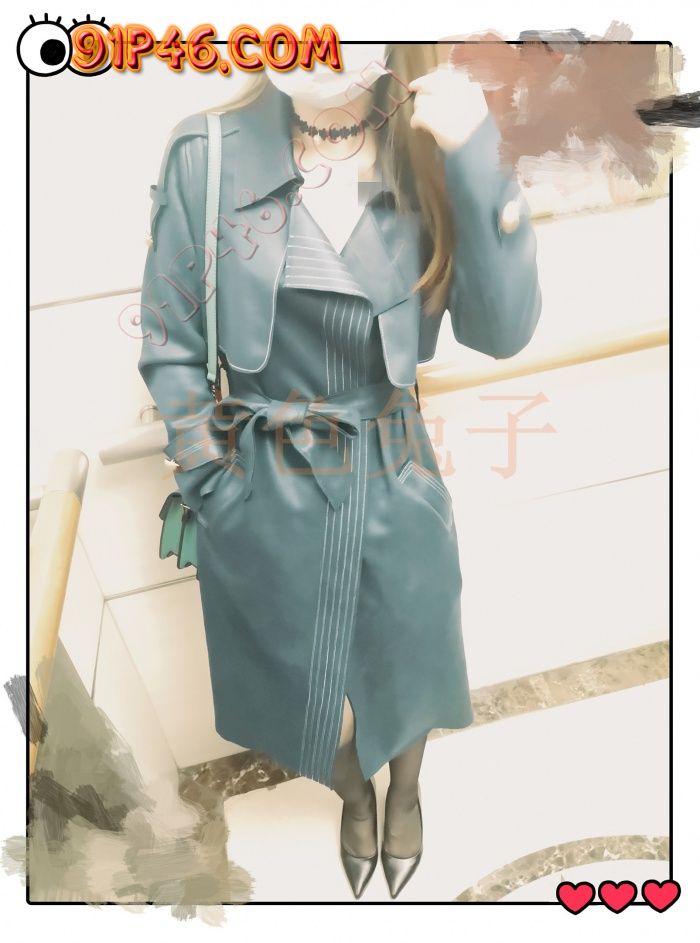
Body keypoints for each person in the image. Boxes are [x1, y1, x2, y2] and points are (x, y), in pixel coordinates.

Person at [137, 42, 542, 900]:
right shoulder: (207, 153)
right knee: (306, 677)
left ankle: (407, 791)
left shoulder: (429, 149)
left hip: (393, 461)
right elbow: (170, 341)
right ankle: (354, 794)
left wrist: (477, 155)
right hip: (261, 479)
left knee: (409, 651)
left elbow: (502, 331)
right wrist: (213, 482)